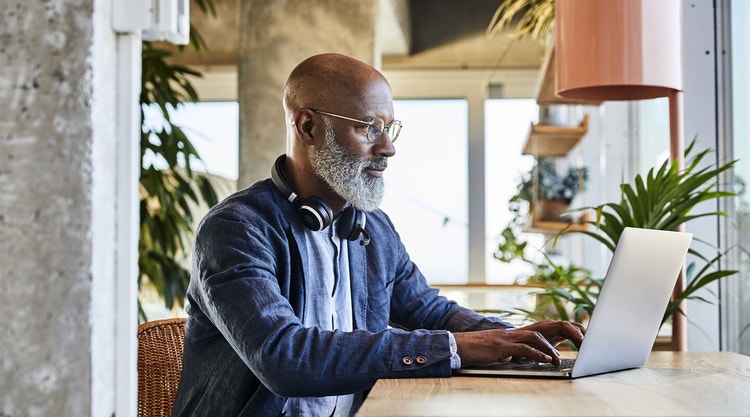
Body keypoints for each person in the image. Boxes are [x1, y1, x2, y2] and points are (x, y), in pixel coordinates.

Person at [171, 53, 585, 417]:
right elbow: (283, 357)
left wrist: (512, 338)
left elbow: (431, 313)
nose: (387, 148)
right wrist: (457, 346)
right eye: (369, 127)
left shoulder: (374, 228)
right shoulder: (235, 229)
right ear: (308, 126)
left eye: (389, 127)